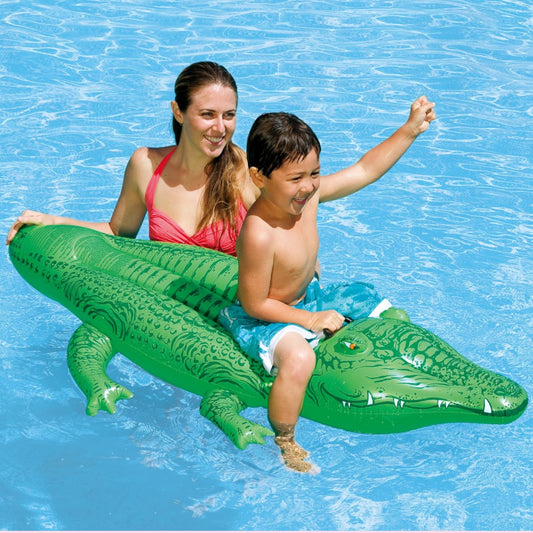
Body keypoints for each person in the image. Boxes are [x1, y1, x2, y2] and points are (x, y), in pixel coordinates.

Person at [219, 97, 436, 472]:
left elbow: (365, 170)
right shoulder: (259, 232)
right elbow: (254, 303)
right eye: (295, 179)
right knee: (300, 359)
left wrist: (410, 129)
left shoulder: (308, 196)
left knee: (373, 302)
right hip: (269, 318)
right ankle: (285, 441)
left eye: (315, 173)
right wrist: (308, 321)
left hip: (309, 296)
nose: (307, 187)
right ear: (259, 177)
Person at [6, 61, 258, 255]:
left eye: (229, 115)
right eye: (207, 114)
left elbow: (281, 241)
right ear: (178, 112)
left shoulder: (246, 171)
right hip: (165, 300)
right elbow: (117, 233)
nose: (220, 127)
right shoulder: (146, 166)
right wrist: (52, 221)